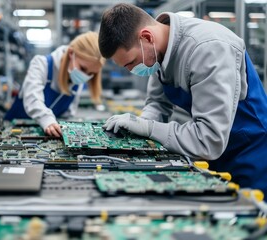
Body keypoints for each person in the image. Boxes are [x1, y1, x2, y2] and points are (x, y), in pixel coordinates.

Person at [99, 3, 267, 195]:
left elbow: (208, 139)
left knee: (250, 217)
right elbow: (157, 103)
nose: (131, 71)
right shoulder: (157, 50)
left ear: (146, 37)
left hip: (250, 153)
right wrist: (140, 123)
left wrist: (149, 129)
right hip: (213, 154)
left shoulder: (208, 49)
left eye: (131, 62)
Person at [5, 31, 105, 137]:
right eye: (83, 68)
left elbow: (68, 115)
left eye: (91, 73)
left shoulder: (76, 80)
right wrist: (48, 120)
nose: (85, 76)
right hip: (13, 132)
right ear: (71, 53)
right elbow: (32, 99)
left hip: (46, 138)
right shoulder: (41, 64)